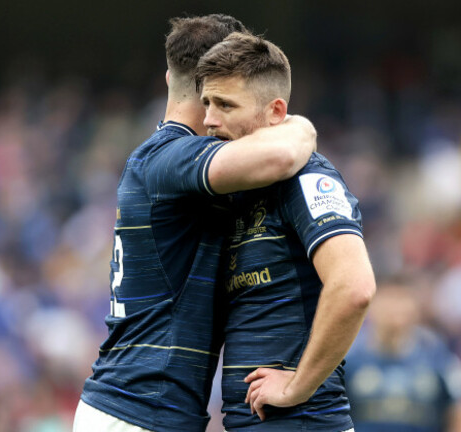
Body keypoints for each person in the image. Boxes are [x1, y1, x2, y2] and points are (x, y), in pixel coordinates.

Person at [73, 15, 319, 432]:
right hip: (137, 411)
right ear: (216, 80)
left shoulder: (161, 161)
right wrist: (299, 123)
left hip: (139, 409)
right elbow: (279, 157)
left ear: (169, 76)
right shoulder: (173, 158)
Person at [195, 33, 376, 431]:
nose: (209, 118)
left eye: (225, 104)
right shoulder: (239, 190)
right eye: (207, 103)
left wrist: (297, 386)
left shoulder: (307, 178)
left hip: (302, 420)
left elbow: (354, 287)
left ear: (276, 111)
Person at [344, 280, 461, 432]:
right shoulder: (348, 357)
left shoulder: (438, 356)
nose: (395, 309)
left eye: (402, 300)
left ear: (416, 308)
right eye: (389, 299)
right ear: (371, 306)